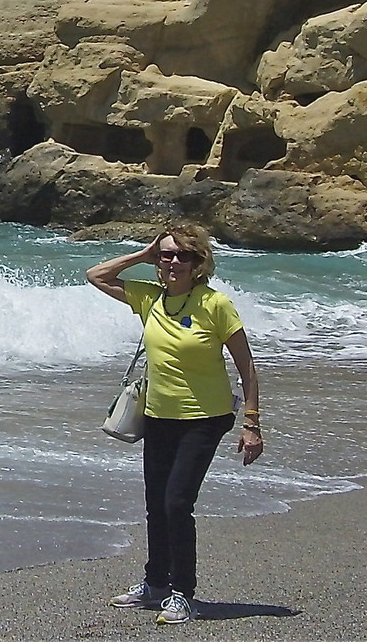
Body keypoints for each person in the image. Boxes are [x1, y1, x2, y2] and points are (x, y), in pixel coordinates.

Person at [87, 222, 262, 625]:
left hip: (205, 418)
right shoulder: (150, 299)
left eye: (183, 255)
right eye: (166, 254)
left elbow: (246, 365)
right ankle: (155, 585)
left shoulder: (215, 305)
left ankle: (183, 592)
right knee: (155, 505)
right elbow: (96, 275)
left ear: (198, 263)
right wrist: (142, 255)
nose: (173, 262)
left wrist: (251, 422)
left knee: (177, 503)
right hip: (159, 416)